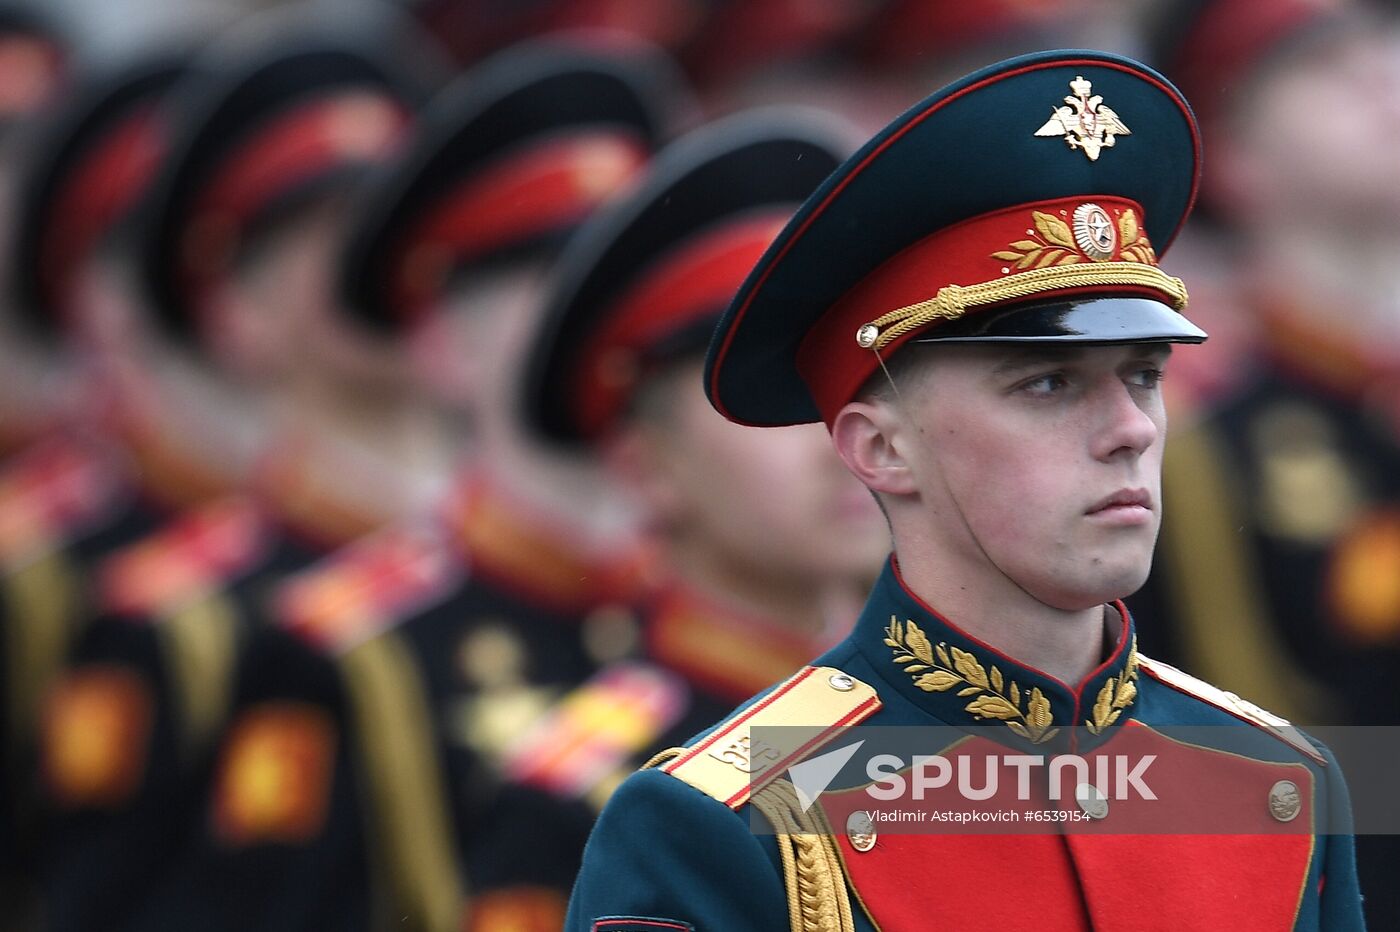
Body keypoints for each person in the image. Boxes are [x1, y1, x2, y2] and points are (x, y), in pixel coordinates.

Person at [566, 49, 1365, 930]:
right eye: (1049, 383)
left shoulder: (1274, 780)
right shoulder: (730, 820)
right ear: (881, 449)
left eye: (1143, 374)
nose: (1132, 428)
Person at [469, 109, 889, 924]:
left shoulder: (967, 744)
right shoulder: (582, 796)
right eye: (773, 403)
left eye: (852, 376)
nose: (840, 435)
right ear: (647, 466)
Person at [1130, 0, 1400, 925]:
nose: (1381, 80)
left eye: (1384, 49)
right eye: (1322, 69)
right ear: (1237, 158)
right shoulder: (1190, 444)